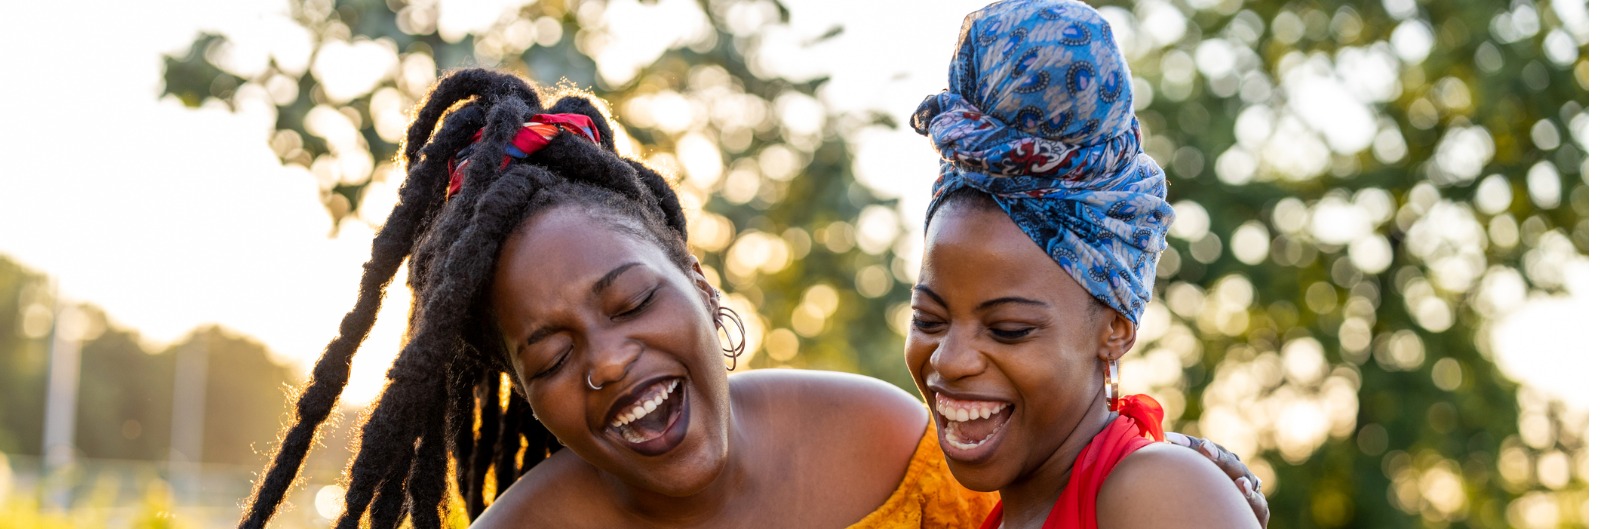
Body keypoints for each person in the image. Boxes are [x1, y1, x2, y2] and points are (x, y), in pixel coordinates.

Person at [237, 68, 992, 529]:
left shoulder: (889, 447)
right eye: (554, 355)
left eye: (630, 302)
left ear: (698, 283)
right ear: (528, 396)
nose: (607, 361)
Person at [906, 0, 1264, 527]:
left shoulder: (1155, 493)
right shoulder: (991, 514)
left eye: (1008, 329)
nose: (951, 359)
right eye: (928, 320)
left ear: (1116, 329)